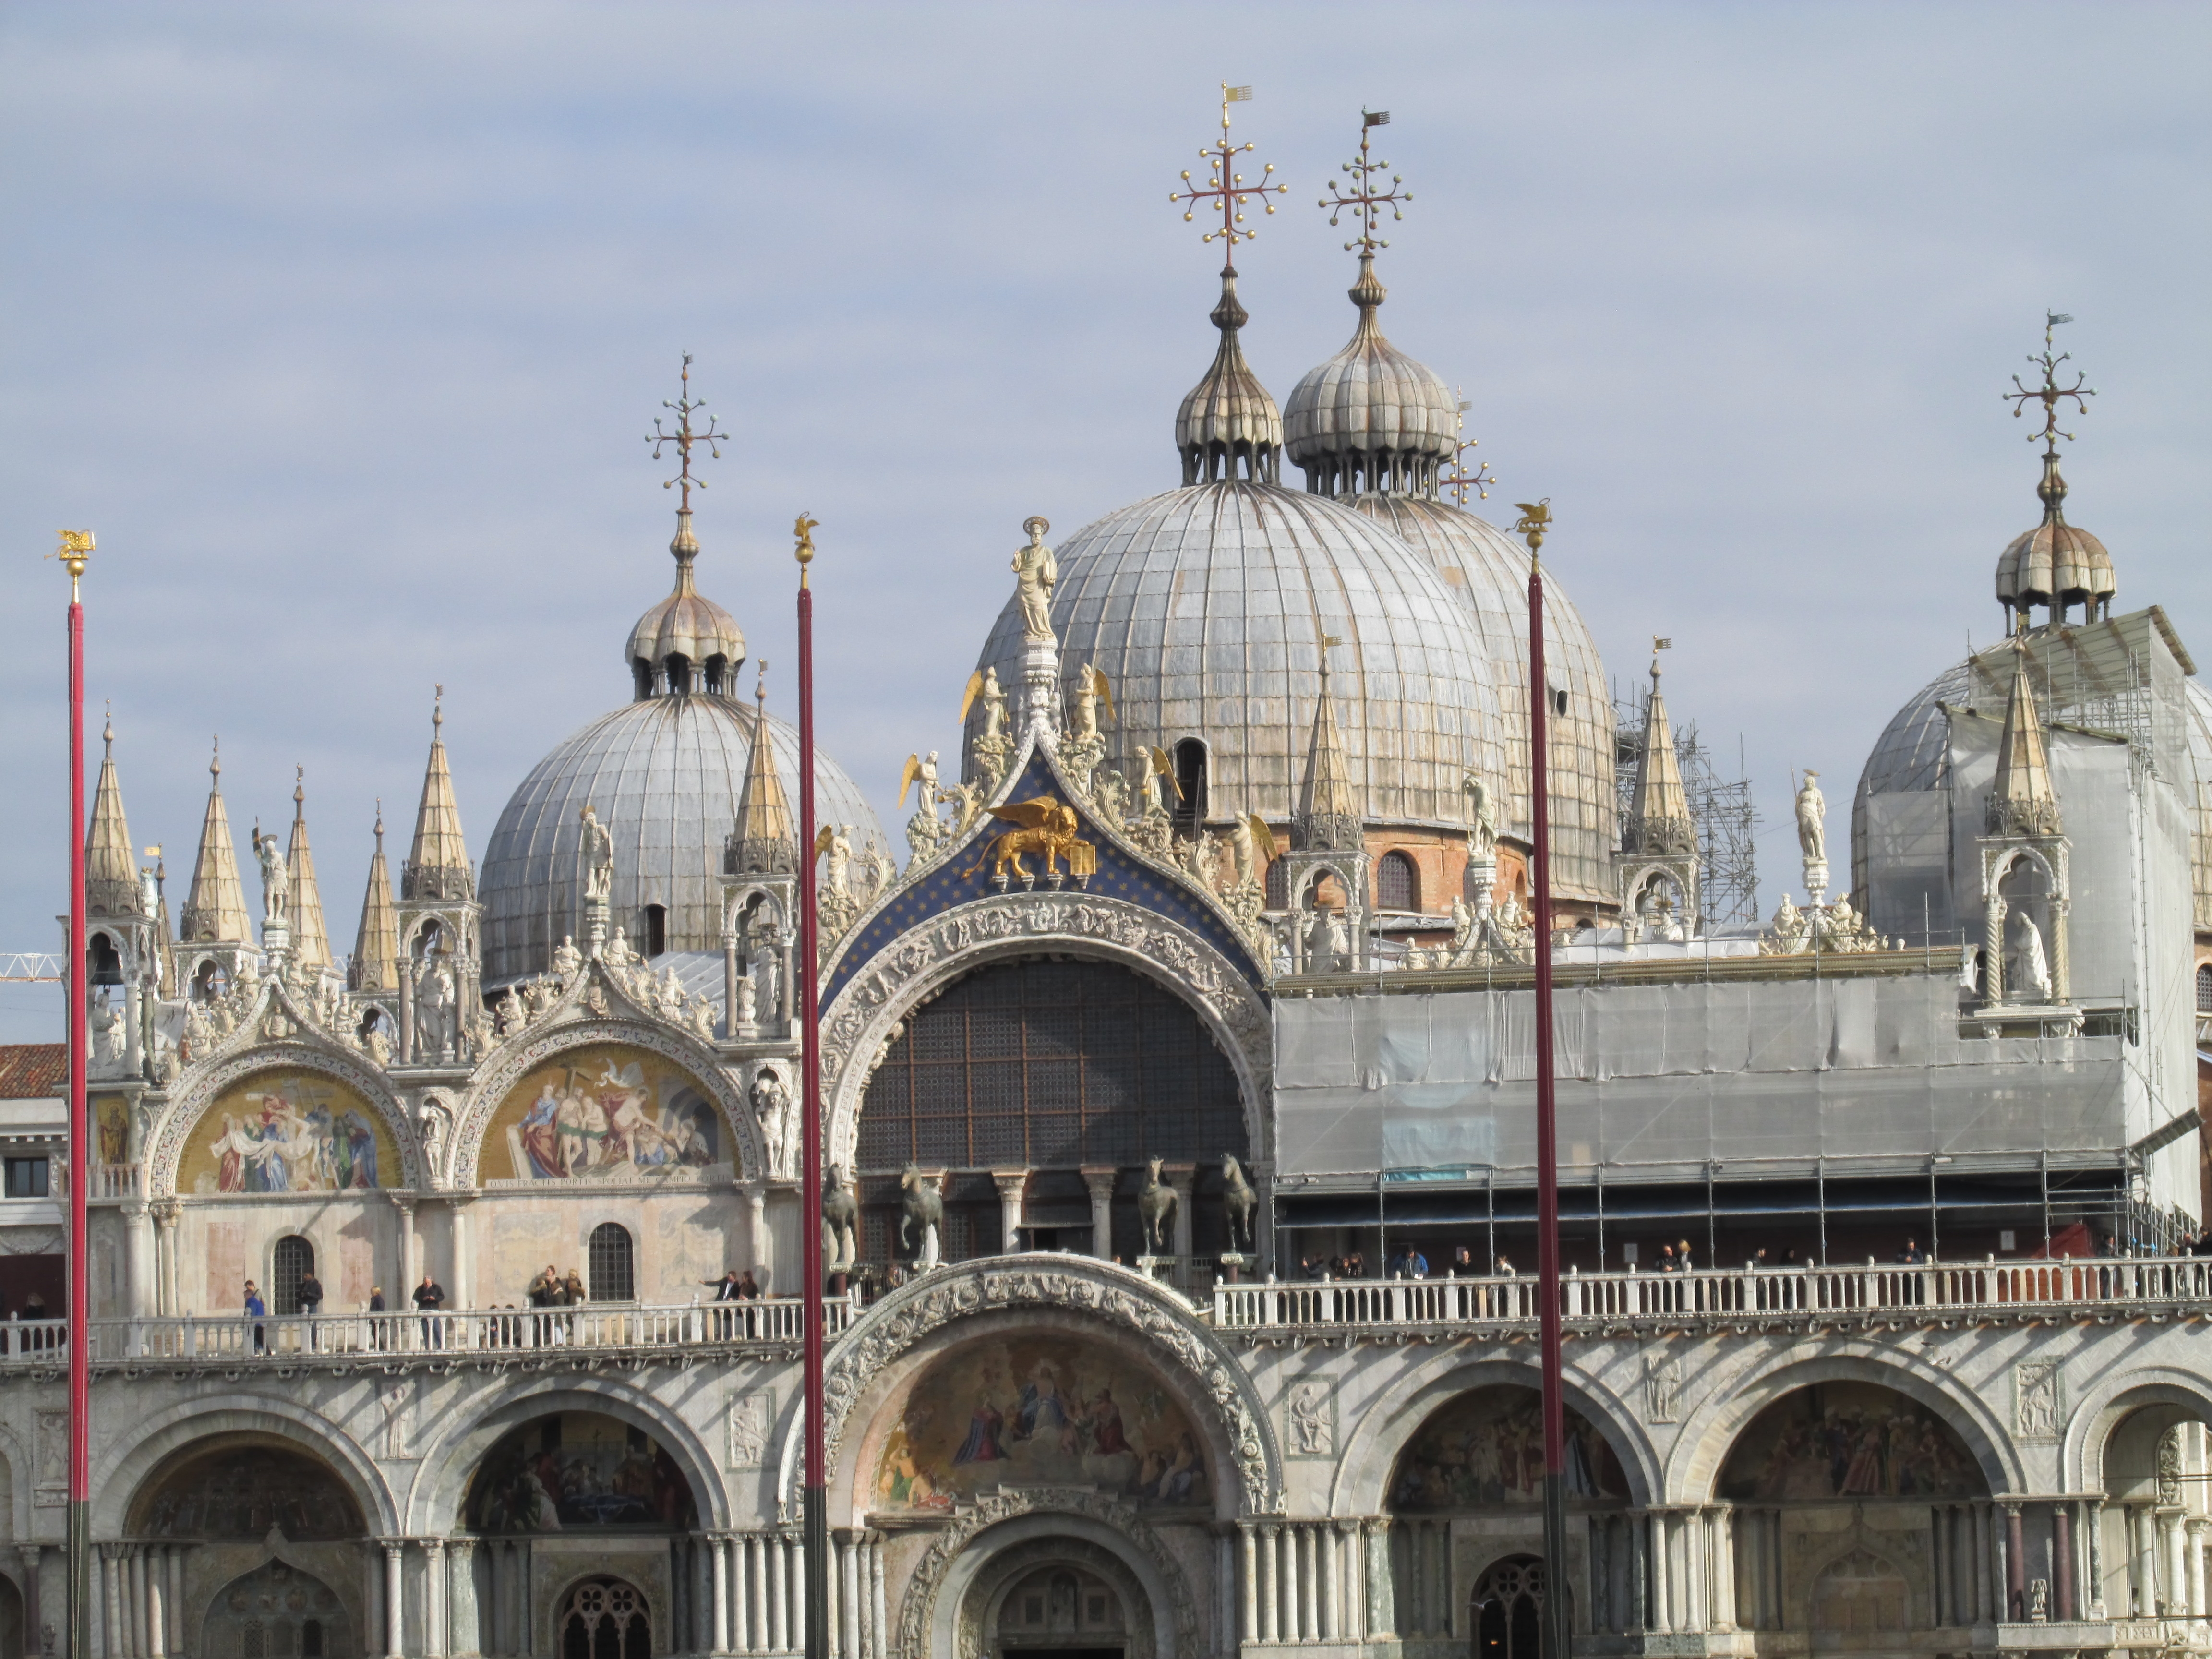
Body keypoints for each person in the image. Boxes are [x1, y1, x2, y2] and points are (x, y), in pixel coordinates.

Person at [413, 1274, 446, 1349]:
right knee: (426, 1330)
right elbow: (415, 1297)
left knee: (436, 1329)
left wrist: (434, 1298)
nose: (427, 1285)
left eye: (428, 1283)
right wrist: (423, 1299)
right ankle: (427, 1346)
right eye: (426, 1283)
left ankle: (440, 1345)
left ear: (431, 1282)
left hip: (434, 1311)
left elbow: (442, 1297)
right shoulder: (420, 1289)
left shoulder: (437, 1288)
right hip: (424, 1311)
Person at [297, 1268, 324, 1350]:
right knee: (304, 1325)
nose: (305, 1277)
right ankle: (305, 1343)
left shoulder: (317, 1285)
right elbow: (298, 1295)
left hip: (312, 1306)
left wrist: (310, 1295)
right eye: (304, 1276)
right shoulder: (303, 1285)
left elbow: (320, 1296)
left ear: (310, 1276)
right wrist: (302, 1296)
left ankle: (313, 1344)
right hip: (305, 1306)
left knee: (313, 1326)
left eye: (306, 1276)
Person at [243, 1280, 267, 1353]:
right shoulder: (253, 1300)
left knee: (259, 1338)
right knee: (258, 1338)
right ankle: (262, 1351)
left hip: (257, 1321)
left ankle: (265, 1352)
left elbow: (252, 1311)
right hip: (259, 1320)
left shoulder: (254, 1298)